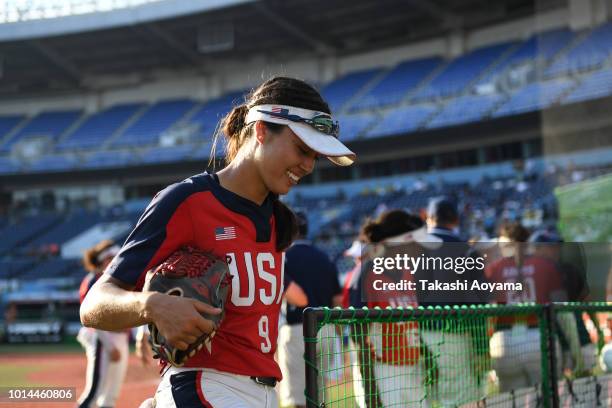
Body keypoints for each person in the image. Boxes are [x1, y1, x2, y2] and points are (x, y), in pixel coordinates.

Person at [80, 76, 355, 408]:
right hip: (204, 387)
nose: (309, 165)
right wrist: (152, 306)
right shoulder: (187, 202)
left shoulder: (278, 218)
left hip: (264, 394)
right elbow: (94, 304)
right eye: (302, 149)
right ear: (262, 130)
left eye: (316, 156)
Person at [360, 209, 441, 407]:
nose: (421, 251)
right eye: (416, 246)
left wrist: (427, 355)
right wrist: (368, 384)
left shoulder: (408, 274)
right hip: (386, 370)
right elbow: (359, 334)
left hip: (414, 367)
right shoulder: (368, 276)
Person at [418, 197, 487, 406]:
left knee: (423, 394)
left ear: (429, 218)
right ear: (455, 220)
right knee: (457, 395)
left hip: (415, 331)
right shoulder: (466, 249)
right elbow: (479, 298)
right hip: (455, 331)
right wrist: (480, 345)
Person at [485, 222, 569, 392]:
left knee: (512, 400)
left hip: (505, 341)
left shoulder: (493, 269)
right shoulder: (546, 266)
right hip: (540, 337)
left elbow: (488, 315)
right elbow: (563, 312)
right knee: (548, 396)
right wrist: (569, 347)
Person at [278, 211, 342, 408]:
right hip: (326, 328)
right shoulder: (325, 257)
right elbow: (337, 301)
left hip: (297, 328)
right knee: (319, 395)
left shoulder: (282, 257)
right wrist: (337, 334)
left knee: (297, 398)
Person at [76, 240, 129, 408]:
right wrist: (108, 345)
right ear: (102, 260)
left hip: (120, 337)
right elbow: (91, 317)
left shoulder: (117, 278)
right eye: (111, 257)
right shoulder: (94, 280)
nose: (115, 260)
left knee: (110, 396)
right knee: (94, 393)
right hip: (103, 337)